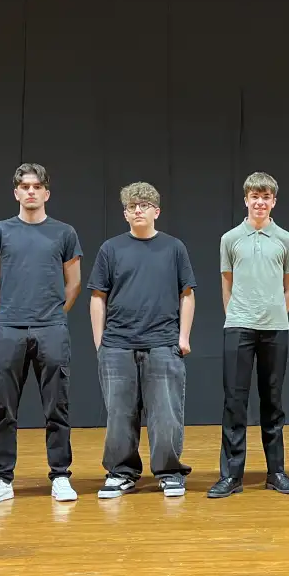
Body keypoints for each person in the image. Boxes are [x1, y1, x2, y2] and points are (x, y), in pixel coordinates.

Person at [0, 163, 84, 506]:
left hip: (52, 329)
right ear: (16, 192)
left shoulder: (64, 232)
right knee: (3, 406)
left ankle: (60, 475)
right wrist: (7, 312)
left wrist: (54, 314)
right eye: (25, 186)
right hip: (10, 329)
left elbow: (74, 282)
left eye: (36, 186)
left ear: (46, 192)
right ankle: (1, 479)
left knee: (57, 405)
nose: (31, 191)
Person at [87, 182, 197, 499]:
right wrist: (101, 343)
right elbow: (98, 297)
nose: (138, 210)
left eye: (144, 205)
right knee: (120, 415)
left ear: (156, 211)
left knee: (166, 415)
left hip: (163, 342)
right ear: (125, 213)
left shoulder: (173, 248)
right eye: (132, 206)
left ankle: (169, 472)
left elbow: (187, 294)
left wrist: (183, 337)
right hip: (118, 344)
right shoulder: (111, 249)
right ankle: (121, 472)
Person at [208, 172, 289, 498]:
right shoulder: (230, 239)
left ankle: (276, 472)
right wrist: (236, 316)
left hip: (275, 329)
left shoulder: (286, 240)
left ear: (274, 201)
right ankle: (231, 476)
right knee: (234, 402)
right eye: (255, 197)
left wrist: (275, 313)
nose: (260, 202)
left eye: (266, 197)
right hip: (239, 327)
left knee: (272, 401)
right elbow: (227, 284)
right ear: (246, 199)